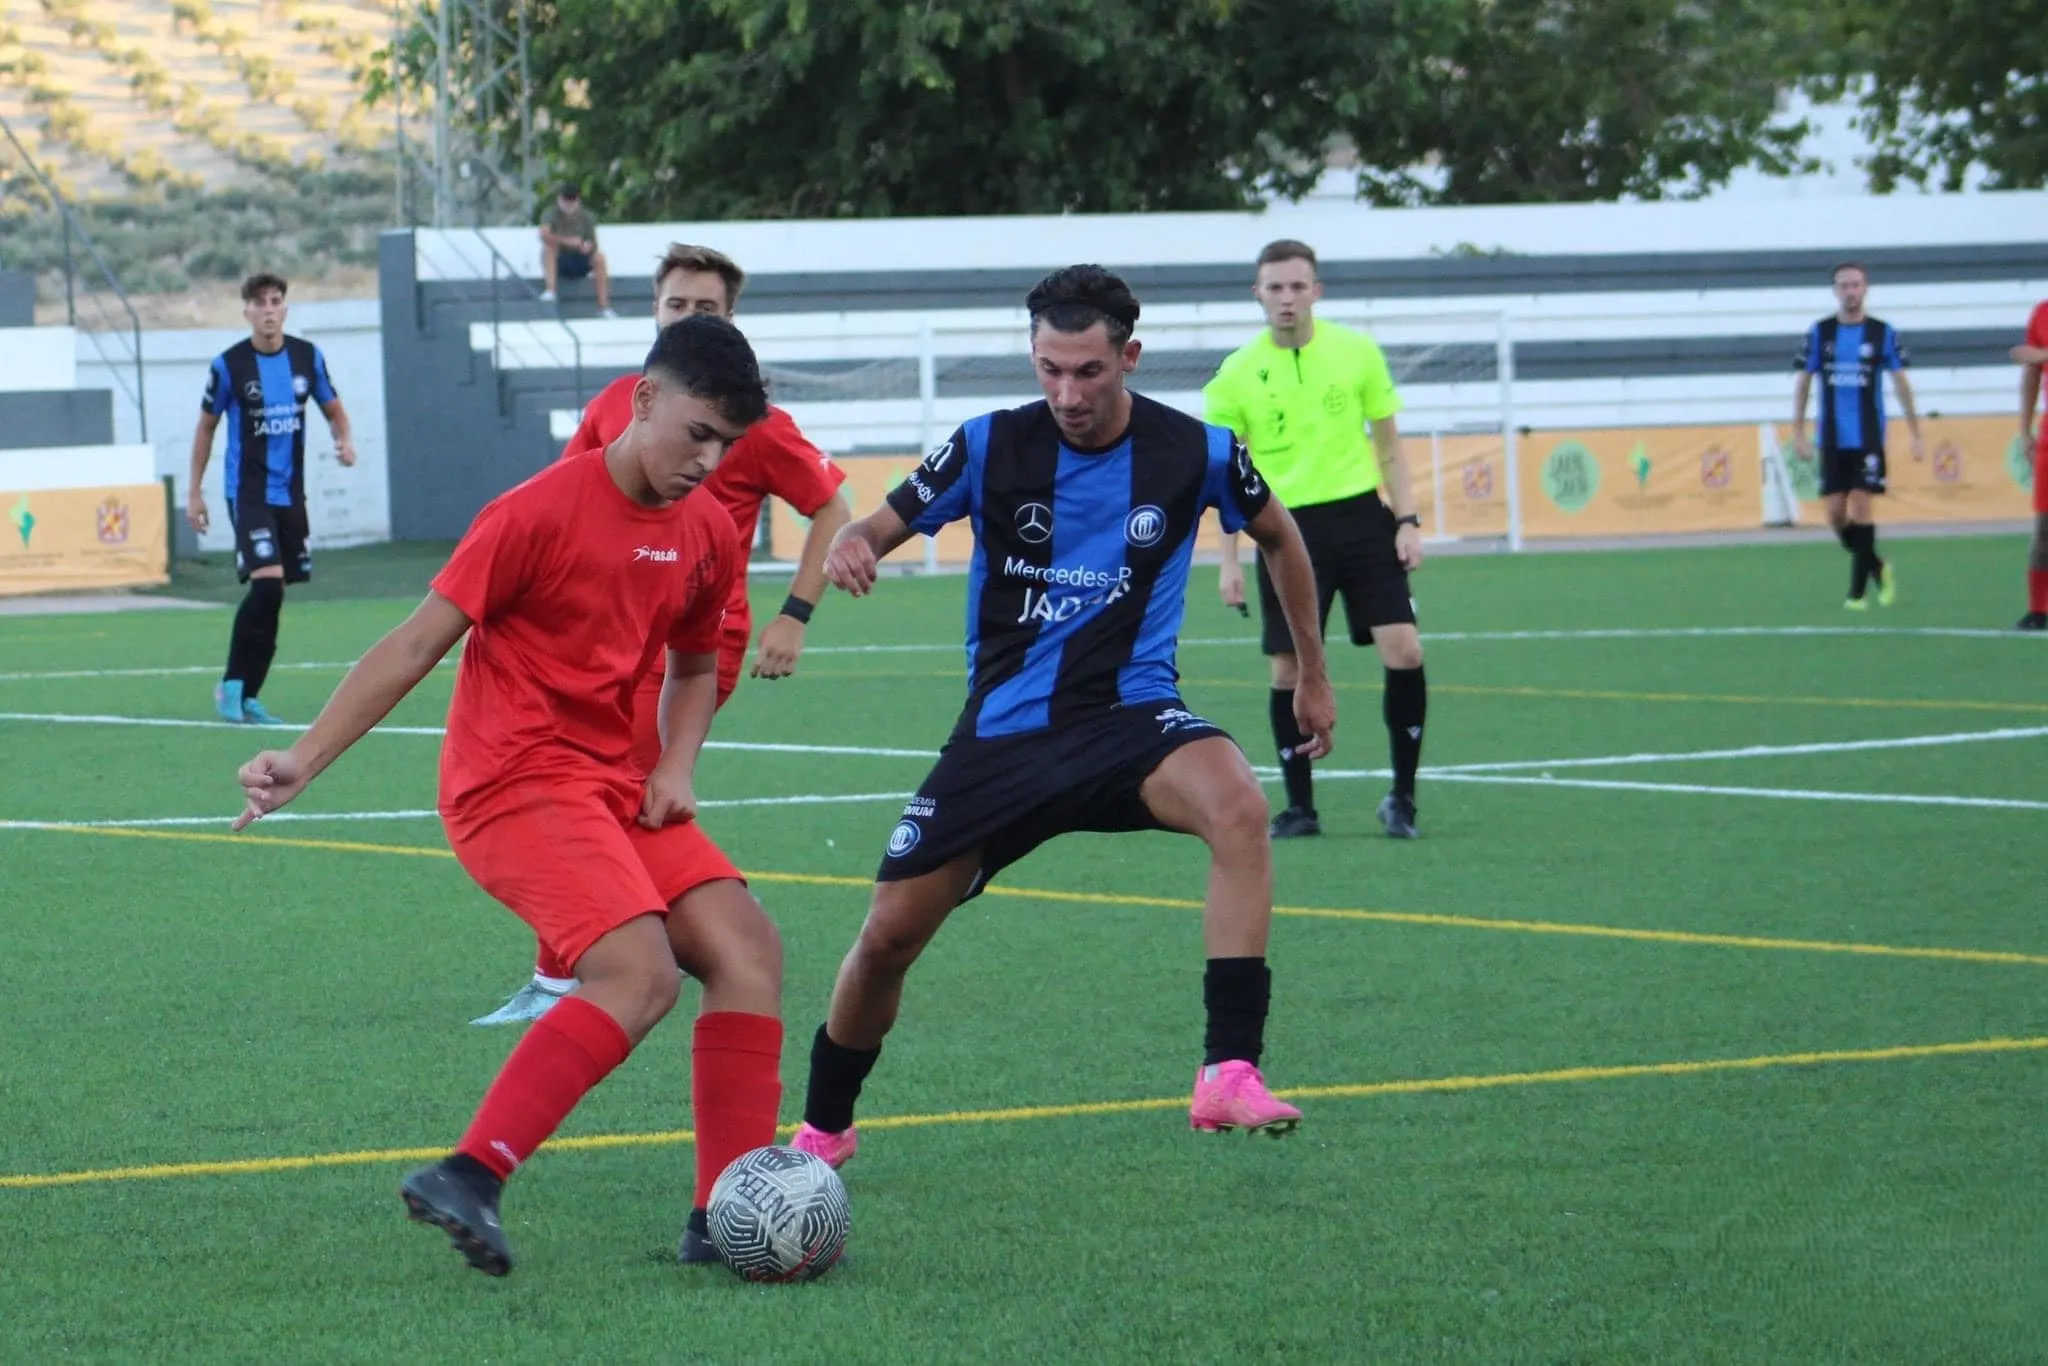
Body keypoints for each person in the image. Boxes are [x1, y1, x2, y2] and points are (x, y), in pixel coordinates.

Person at [230, 316, 784, 1275]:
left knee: (748, 952)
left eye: (727, 445)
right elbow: (414, 644)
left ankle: (723, 1219)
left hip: (614, 786)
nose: (709, 461)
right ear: (643, 399)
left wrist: (676, 764)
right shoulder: (533, 513)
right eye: (698, 433)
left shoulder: (705, 530)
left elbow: (696, 666)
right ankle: (470, 1173)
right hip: (511, 784)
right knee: (640, 975)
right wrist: (305, 760)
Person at [787, 265, 1338, 1169]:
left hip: (1131, 719)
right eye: (1049, 369)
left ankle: (1228, 1071)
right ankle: (823, 1128)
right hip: (1004, 735)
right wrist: (851, 544)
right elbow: (874, 527)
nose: (1068, 394)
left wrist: (1312, 673)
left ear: (1130, 356)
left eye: (1089, 371)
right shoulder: (987, 445)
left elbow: (1281, 534)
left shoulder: (1196, 450)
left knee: (1239, 803)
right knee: (886, 939)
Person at [472, 243, 854, 1027]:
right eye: (676, 304)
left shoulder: (758, 427)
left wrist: (795, 613)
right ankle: (631, 940)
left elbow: (833, 509)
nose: (687, 315)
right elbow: (567, 497)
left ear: (731, 317)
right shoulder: (619, 404)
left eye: (705, 308)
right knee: (598, 785)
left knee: (619, 786)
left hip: (694, 641)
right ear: (655, 309)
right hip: (610, 632)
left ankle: (577, 971)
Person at [1202, 239, 1427, 842]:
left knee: (1405, 651)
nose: (1286, 298)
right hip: (1285, 531)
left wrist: (1407, 521)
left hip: (1363, 520)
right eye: (1274, 287)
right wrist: (1228, 561)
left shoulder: (1357, 353)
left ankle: (1403, 798)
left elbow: (1389, 446)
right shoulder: (1236, 374)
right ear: (1257, 293)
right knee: (1287, 670)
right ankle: (1300, 807)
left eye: (1297, 286)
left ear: (1316, 292)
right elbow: (1224, 477)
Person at [186, 272, 356, 726]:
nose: (267, 310)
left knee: (275, 593)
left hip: (290, 495)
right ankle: (231, 684)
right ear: (246, 311)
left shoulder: (306, 357)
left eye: (275, 301)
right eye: (259, 302)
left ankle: (250, 696)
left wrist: (344, 440)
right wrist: (194, 494)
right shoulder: (229, 366)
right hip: (248, 493)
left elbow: (334, 410)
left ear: (285, 309)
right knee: (266, 583)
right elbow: (205, 428)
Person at [1791, 262, 1925, 610]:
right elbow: (1803, 382)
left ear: (1865, 289)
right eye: (1844, 285)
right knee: (1835, 515)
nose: (1850, 291)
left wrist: (1916, 432)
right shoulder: (1820, 332)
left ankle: (1856, 594)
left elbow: (1901, 383)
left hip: (1868, 435)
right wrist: (1798, 431)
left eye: (1856, 285)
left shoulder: (1882, 332)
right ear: (1835, 291)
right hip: (1831, 436)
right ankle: (1877, 567)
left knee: (1862, 505)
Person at [2010, 303, 2048, 631]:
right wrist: (2025, 430)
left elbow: (2036, 358)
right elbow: (2032, 374)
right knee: (2044, 526)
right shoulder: (2041, 314)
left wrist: (2041, 354)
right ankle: (2037, 610)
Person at [537, 184, 615, 317]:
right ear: (559, 199)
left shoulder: (587, 217)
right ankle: (551, 290)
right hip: (560, 260)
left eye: (572, 200)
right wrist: (567, 241)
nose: (568, 204)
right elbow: (544, 235)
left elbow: (593, 243)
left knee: (599, 257)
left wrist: (587, 247)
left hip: (579, 259)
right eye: (566, 200)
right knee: (549, 249)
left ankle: (603, 307)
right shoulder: (550, 213)